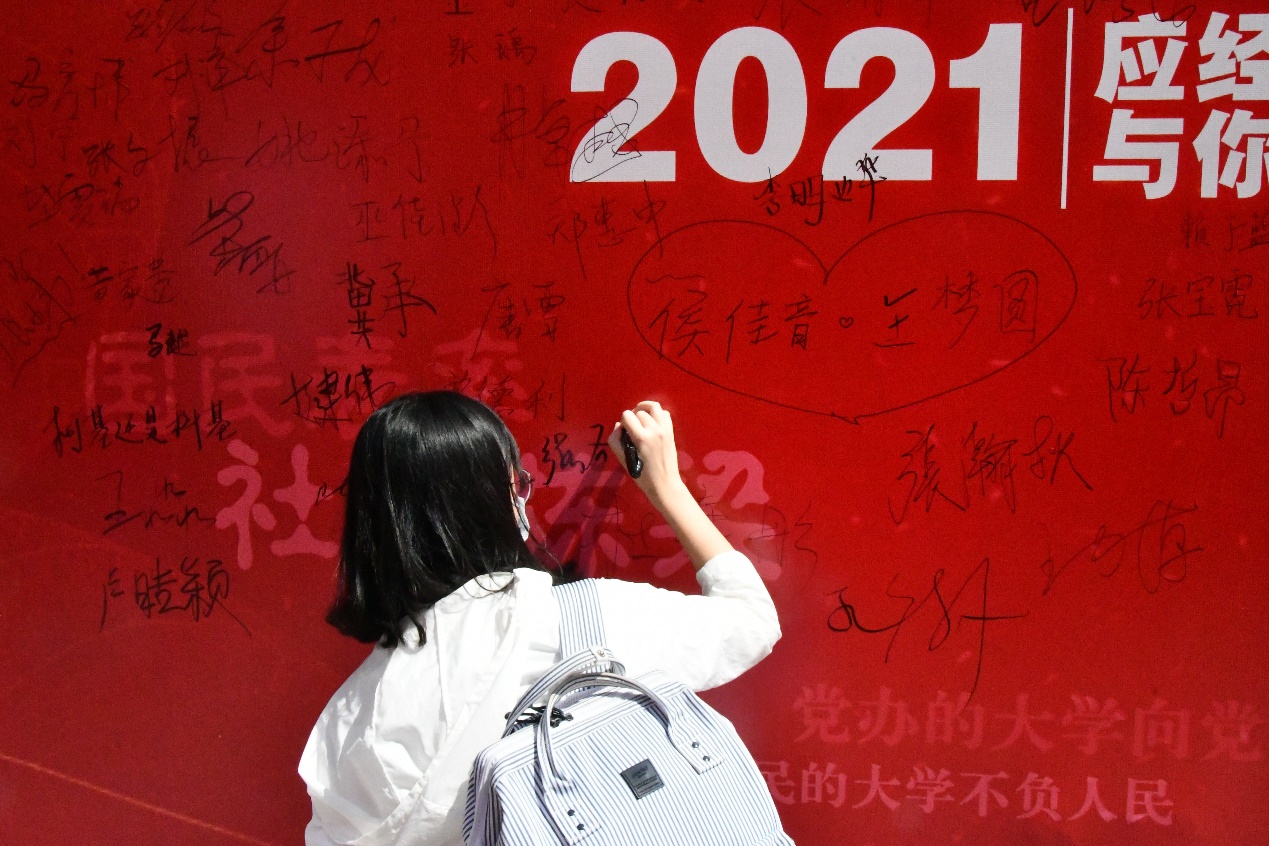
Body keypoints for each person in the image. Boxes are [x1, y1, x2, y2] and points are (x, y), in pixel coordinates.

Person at [299, 391, 781, 846]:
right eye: (517, 483)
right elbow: (751, 622)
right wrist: (666, 488)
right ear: (502, 498)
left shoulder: (347, 725)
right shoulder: (588, 618)